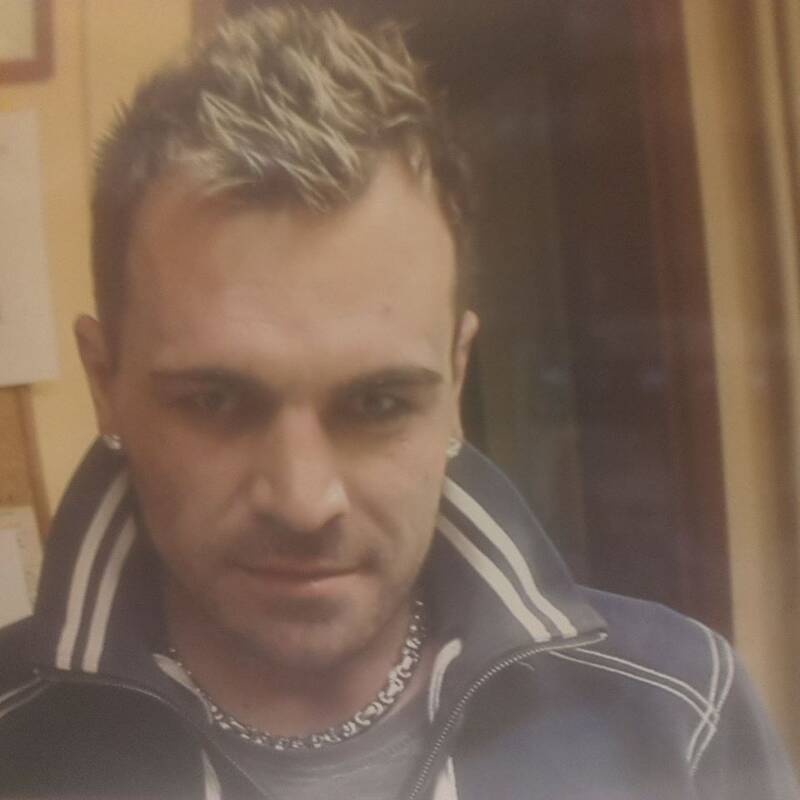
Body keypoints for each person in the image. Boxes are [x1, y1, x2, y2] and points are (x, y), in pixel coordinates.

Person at [0, 6, 796, 799]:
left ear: (456, 380)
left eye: (379, 404)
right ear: (104, 382)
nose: (305, 502)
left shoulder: (682, 720)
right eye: (214, 400)